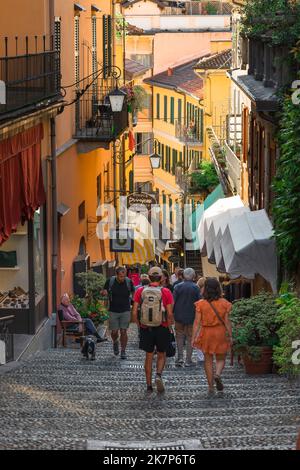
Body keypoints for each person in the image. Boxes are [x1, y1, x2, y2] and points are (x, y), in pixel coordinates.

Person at [132, 266, 174, 394]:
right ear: (161, 278)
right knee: (162, 354)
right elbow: (170, 313)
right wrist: (170, 325)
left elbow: (134, 312)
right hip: (162, 326)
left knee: (148, 356)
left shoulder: (140, 291)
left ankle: (149, 385)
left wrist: (139, 326)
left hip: (146, 327)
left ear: (148, 277)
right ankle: (158, 375)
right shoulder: (166, 292)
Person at [192, 278, 233, 397]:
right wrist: (230, 335)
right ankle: (218, 374)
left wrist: (193, 337)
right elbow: (227, 322)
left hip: (206, 333)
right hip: (220, 332)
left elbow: (196, 322)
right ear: (218, 289)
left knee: (208, 360)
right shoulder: (225, 303)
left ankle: (210, 386)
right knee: (221, 358)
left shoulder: (201, 304)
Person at [102, 267, 135, 360]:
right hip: (113, 310)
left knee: (124, 331)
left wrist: (134, 300)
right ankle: (115, 342)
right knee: (114, 332)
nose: (122, 278)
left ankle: (123, 351)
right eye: (121, 276)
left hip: (125, 310)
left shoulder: (128, 282)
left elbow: (134, 291)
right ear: (117, 275)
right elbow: (104, 290)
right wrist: (104, 292)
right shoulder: (110, 281)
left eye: (124, 276)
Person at [173, 268, 201, 367]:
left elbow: (173, 302)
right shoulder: (196, 288)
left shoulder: (177, 287)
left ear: (184, 275)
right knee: (190, 338)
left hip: (178, 316)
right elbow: (199, 303)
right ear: (193, 276)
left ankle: (180, 358)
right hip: (192, 316)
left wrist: (171, 314)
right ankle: (188, 360)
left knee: (179, 337)